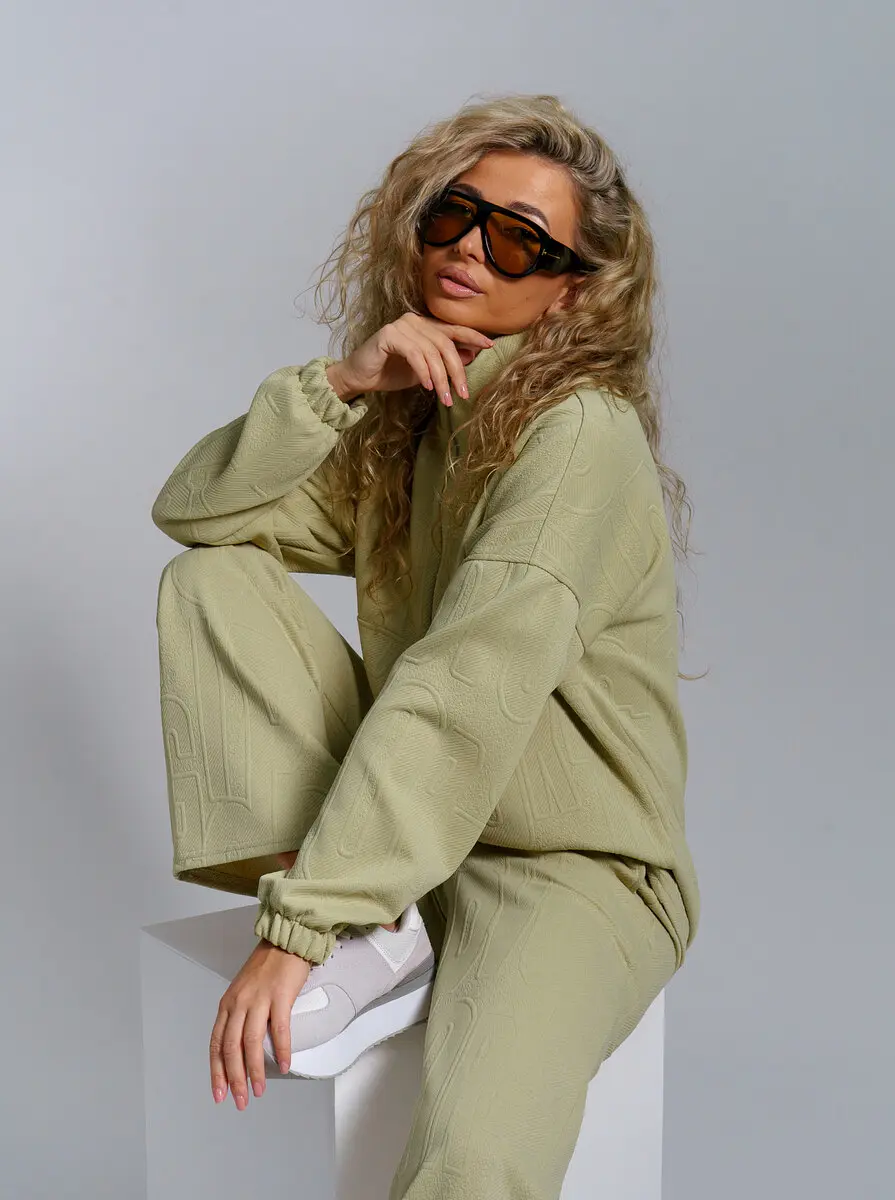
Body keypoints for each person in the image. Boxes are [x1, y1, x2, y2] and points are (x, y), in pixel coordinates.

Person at [151, 91, 702, 1200]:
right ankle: (379, 919)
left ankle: (354, 911)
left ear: (572, 290)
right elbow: (201, 514)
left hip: (567, 867)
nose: (469, 251)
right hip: (421, 846)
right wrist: (343, 385)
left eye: (519, 241)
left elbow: (462, 692)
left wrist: (299, 931)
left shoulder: (576, 439)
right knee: (212, 580)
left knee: (475, 1156)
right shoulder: (417, 422)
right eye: (456, 214)